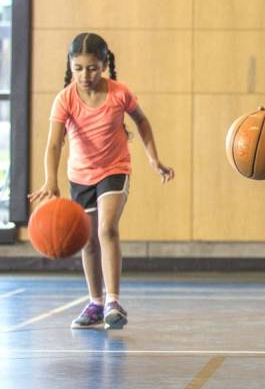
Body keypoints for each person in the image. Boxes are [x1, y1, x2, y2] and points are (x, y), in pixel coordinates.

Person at [28, 33, 174, 330]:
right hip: (80, 176)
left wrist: (153, 158)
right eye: (79, 67)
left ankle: (113, 302)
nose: (85, 74)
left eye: (92, 67)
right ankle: (95, 302)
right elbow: (54, 144)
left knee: (107, 228)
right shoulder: (65, 99)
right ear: (70, 65)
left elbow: (142, 122)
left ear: (105, 64)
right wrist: (50, 181)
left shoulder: (120, 93)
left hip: (114, 169)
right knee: (88, 240)